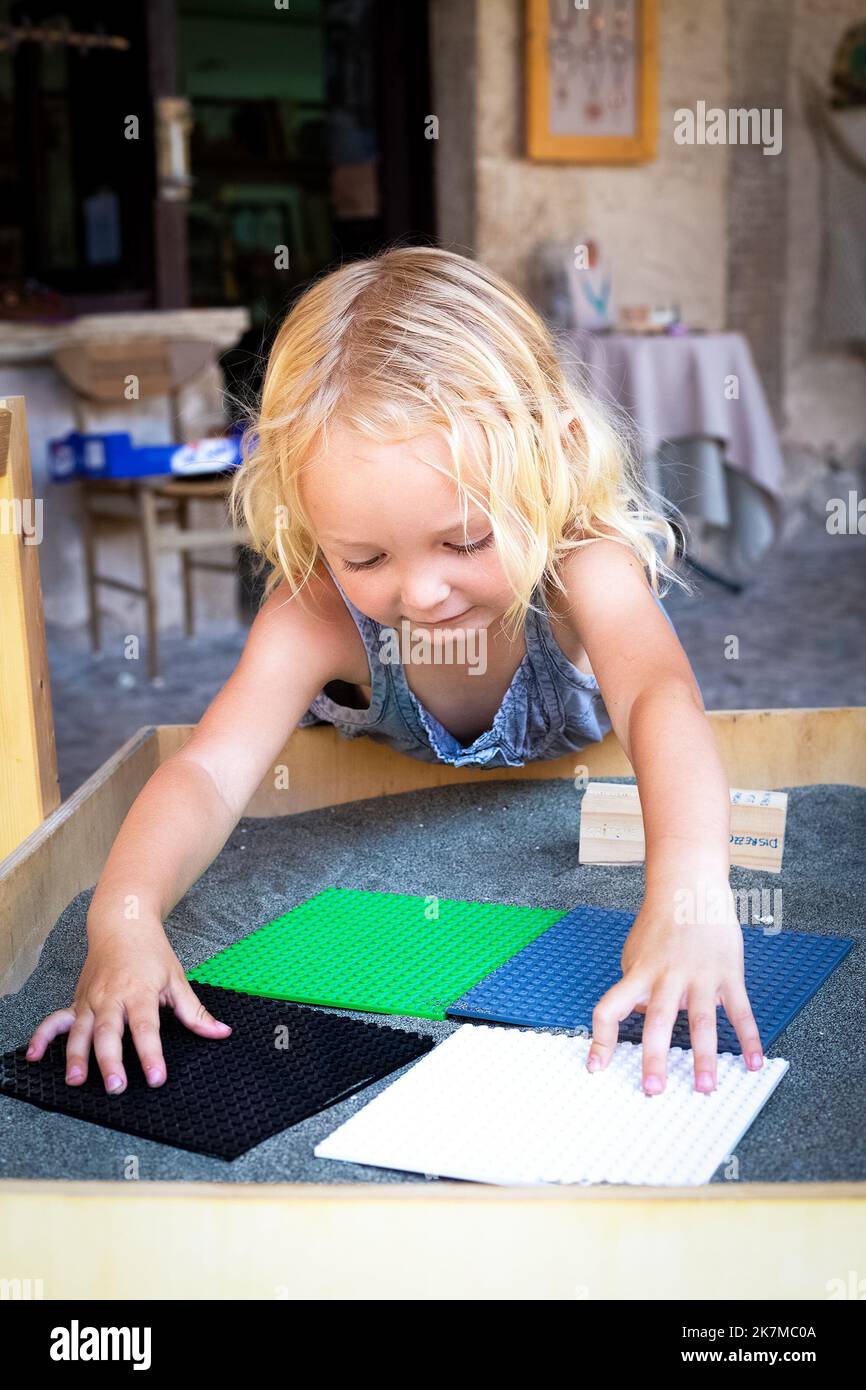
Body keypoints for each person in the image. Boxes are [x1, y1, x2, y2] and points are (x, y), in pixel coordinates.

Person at [26, 245, 763, 1099]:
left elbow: (660, 700)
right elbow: (206, 770)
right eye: (366, 554)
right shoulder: (318, 608)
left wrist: (690, 894)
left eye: (466, 541)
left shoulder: (582, 568)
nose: (421, 591)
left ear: (556, 464)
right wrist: (122, 919)